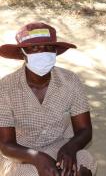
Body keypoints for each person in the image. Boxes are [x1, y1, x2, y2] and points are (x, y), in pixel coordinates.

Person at [0, 22, 97, 176]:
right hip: (21, 154)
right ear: (22, 53)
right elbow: (6, 145)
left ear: (55, 52)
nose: (42, 53)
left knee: (82, 166)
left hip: (61, 145)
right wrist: (37, 158)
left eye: (48, 48)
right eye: (34, 48)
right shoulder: (5, 87)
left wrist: (70, 148)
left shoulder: (70, 81)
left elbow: (85, 130)